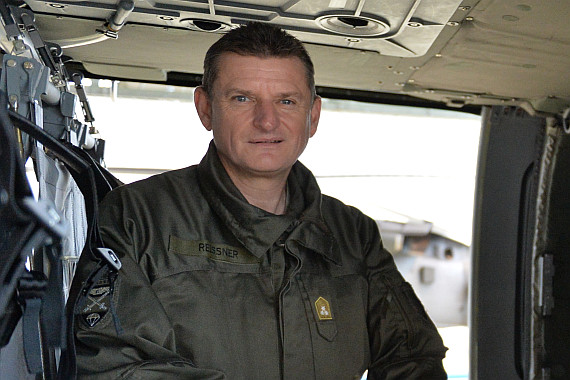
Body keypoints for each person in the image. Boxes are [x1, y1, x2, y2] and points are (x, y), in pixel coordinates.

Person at [72, 21, 448, 379]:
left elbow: (413, 357)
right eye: (242, 98)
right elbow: (114, 365)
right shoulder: (138, 218)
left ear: (312, 116)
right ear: (205, 109)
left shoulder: (353, 234)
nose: (267, 121)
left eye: (286, 101)